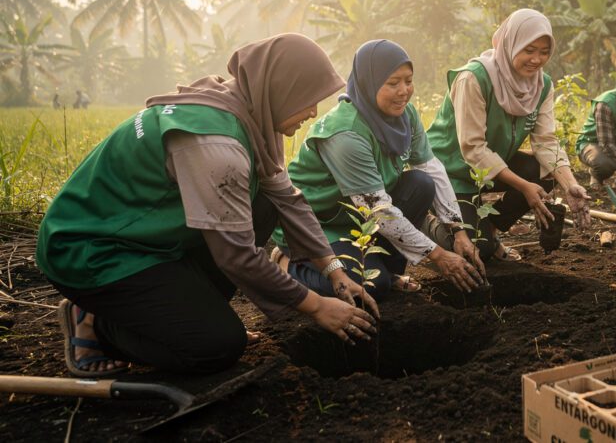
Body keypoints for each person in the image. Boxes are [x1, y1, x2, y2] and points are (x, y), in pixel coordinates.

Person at [36, 34, 378, 378]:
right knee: (216, 347)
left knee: (262, 205)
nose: (313, 112)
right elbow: (238, 256)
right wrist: (317, 306)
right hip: (92, 250)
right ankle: (98, 326)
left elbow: (287, 198)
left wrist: (334, 271)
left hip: (144, 238)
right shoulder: (216, 146)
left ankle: (190, 316)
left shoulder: (252, 111)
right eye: (308, 100)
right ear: (280, 88)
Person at [272, 39, 486, 298]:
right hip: (317, 224)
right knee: (371, 287)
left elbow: (431, 168)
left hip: (358, 217)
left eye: (408, 80)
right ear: (368, 83)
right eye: (393, 83)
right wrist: (438, 255)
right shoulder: (345, 134)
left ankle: (387, 269)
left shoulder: (405, 115)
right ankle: (288, 264)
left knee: (420, 184)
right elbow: (378, 211)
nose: (404, 91)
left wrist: (457, 230)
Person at [427, 9, 591, 262]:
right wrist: (524, 187)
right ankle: (426, 222)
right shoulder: (473, 78)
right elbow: (473, 148)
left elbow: (546, 141)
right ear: (510, 43)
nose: (536, 59)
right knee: (473, 251)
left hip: (490, 170)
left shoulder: (541, 85)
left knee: (544, 172)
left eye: (544, 52)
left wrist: (571, 185)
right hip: (450, 171)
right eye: (529, 49)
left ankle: (490, 232)